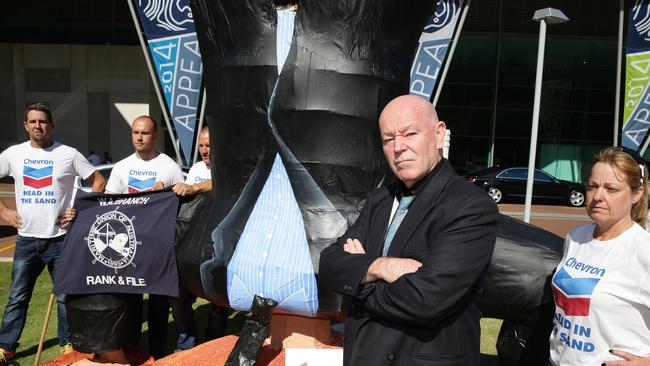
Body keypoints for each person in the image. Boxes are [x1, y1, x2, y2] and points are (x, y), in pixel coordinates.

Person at [319, 95, 498, 366]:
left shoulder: (470, 206)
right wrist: (382, 268)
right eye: (388, 139)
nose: (398, 147)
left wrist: (359, 278)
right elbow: (330, 264)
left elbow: (424, 300)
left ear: (439, 135)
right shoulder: (379, 199)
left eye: (410, 134)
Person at [0, 103, 106, 365]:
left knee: (65, 297)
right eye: (33, 121)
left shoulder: (68, 154)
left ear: (51, 125)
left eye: (43, 121)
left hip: (61, 239)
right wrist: (4, 212)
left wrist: (77, 209)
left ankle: (67, 344)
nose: (38, 126)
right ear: (26, 126)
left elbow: (99, 182)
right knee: (17, 298)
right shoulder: (13, 154)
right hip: (26, 239)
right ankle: (6, 348)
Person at [549, 146, 650, 365]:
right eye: (593, 186)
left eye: (611, 189)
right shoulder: (576, 237)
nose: (598, 197)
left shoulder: (644, 251)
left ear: (637, 194)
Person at [105, 115, 185, 359]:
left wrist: (168, 191)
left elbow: (183, 201)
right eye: (135, 132)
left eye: (145, 133)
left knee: (159, 300)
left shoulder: (169, 166)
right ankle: (129, 346)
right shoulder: (121, 167)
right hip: (125, 245)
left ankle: (157, 350)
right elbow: (108, 203)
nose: (139, 137)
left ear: (155, 136)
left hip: (158, 245)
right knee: (127, 298)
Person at [170, 127, 229, 351]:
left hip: (218, 245)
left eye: (209, 146)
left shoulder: (227, 167)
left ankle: (212, 346)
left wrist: (195, 187)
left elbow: (224, 184)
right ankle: (187, 343)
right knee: (178, 294)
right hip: (191, 242)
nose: (204, 151)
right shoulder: (195, 168)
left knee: (218, 299)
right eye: (201, 146)